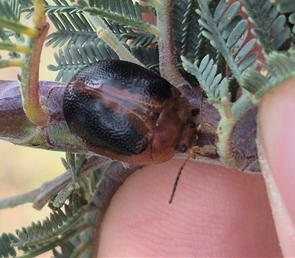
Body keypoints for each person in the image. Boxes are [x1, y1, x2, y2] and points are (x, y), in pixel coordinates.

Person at [97, 80, 295, 256]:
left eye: (191, 124)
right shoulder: (162, 124)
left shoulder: (153, 142)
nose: (191, 136)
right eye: (184, 146)